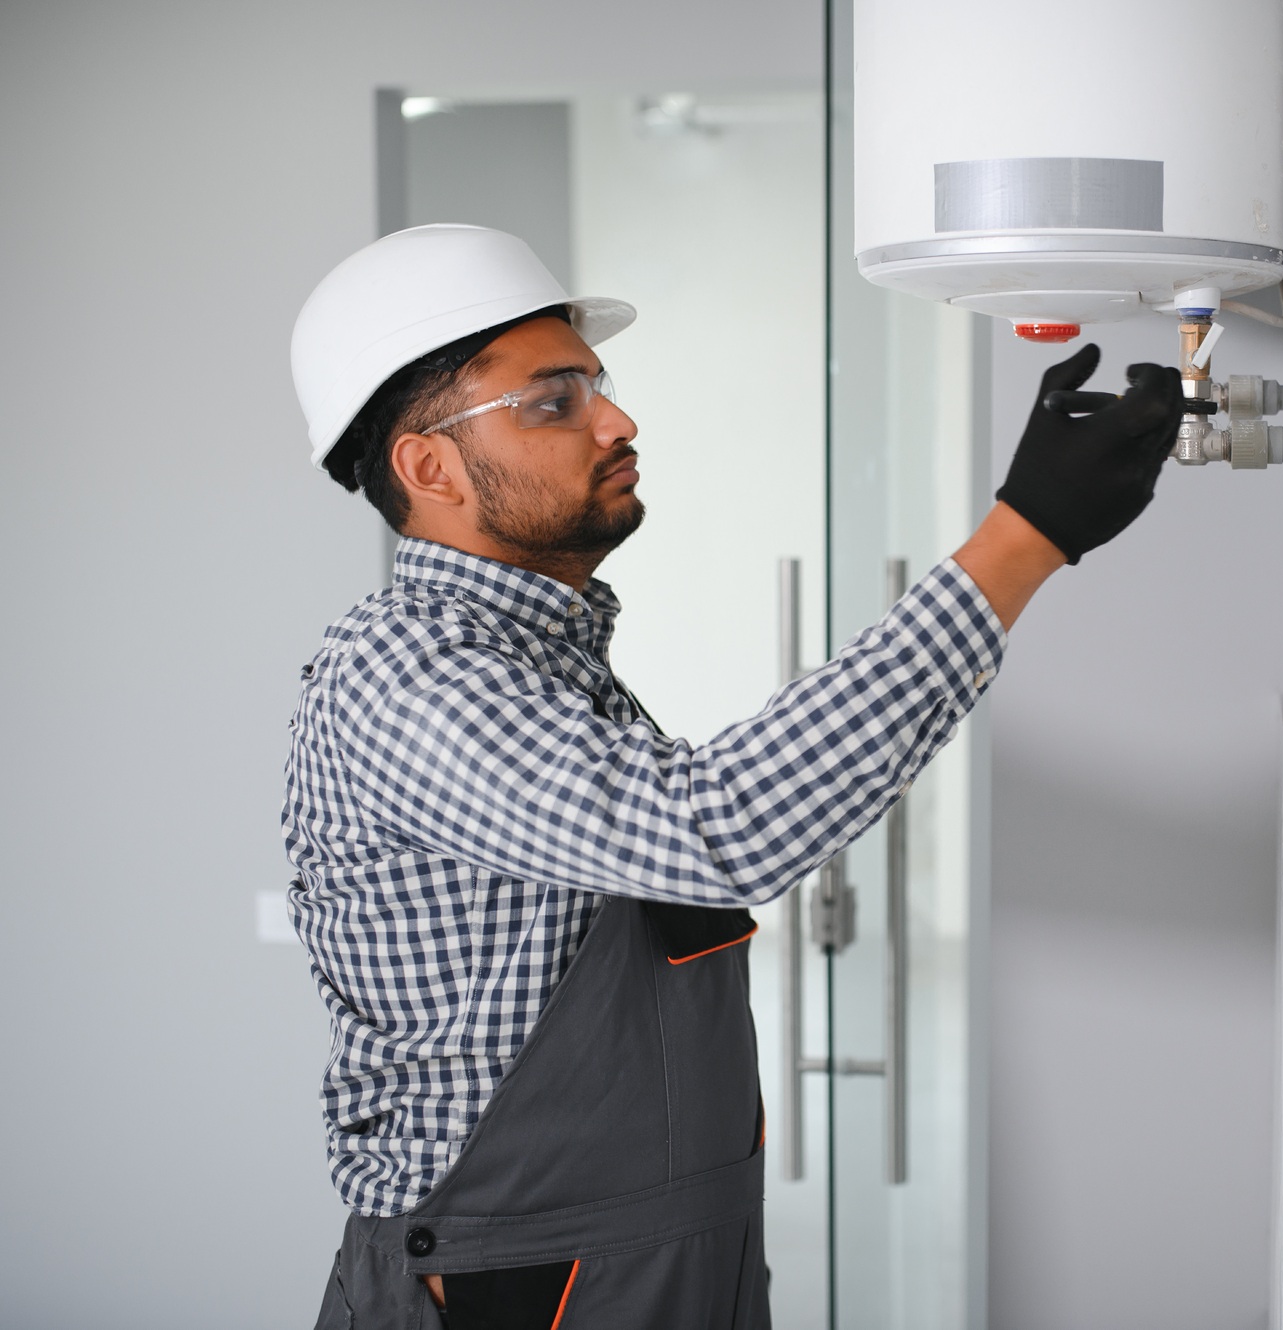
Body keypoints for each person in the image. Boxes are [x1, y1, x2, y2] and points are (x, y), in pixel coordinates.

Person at [285, 224, 1179, 1329]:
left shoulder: (539, 659)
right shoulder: (403, 673)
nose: (617, 420)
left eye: (596, 386)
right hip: (511, 1286)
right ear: (427, 466)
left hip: (666, 1258)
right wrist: (1020, 538)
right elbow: (715, 829)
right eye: (553, 400)